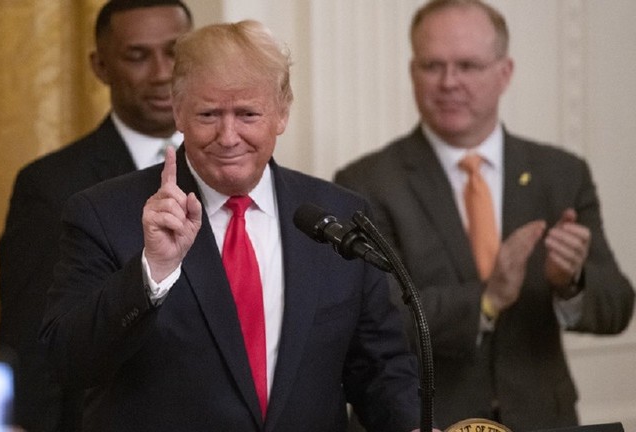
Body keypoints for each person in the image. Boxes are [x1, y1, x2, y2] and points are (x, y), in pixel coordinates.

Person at [40, 20, 428, 432]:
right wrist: (152, 271)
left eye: (247, 114)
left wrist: (413, 426)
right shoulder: (105, 214)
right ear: (178, 111)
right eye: (209, 114)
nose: (228, 137)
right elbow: (66, 361)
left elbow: (379, 369)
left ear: (282, 112)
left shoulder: (338, 216)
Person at [334, 0, 635, 430]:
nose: (449, 82)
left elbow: (618, 309)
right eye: (432, 66)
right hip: (428, 421)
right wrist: (487, 299)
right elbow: (379, 325)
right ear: (413, 72)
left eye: (468, 65)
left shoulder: (561, 174)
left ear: (505, 73)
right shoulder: (365, 183)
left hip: (541, 420)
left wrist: (571, 283)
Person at [0, 1, 192, 430]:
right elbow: (34, 352)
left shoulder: (230, 168)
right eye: (138, 56)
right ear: (100, 66)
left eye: (175, 52)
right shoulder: (52, 186)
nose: (162, 73)